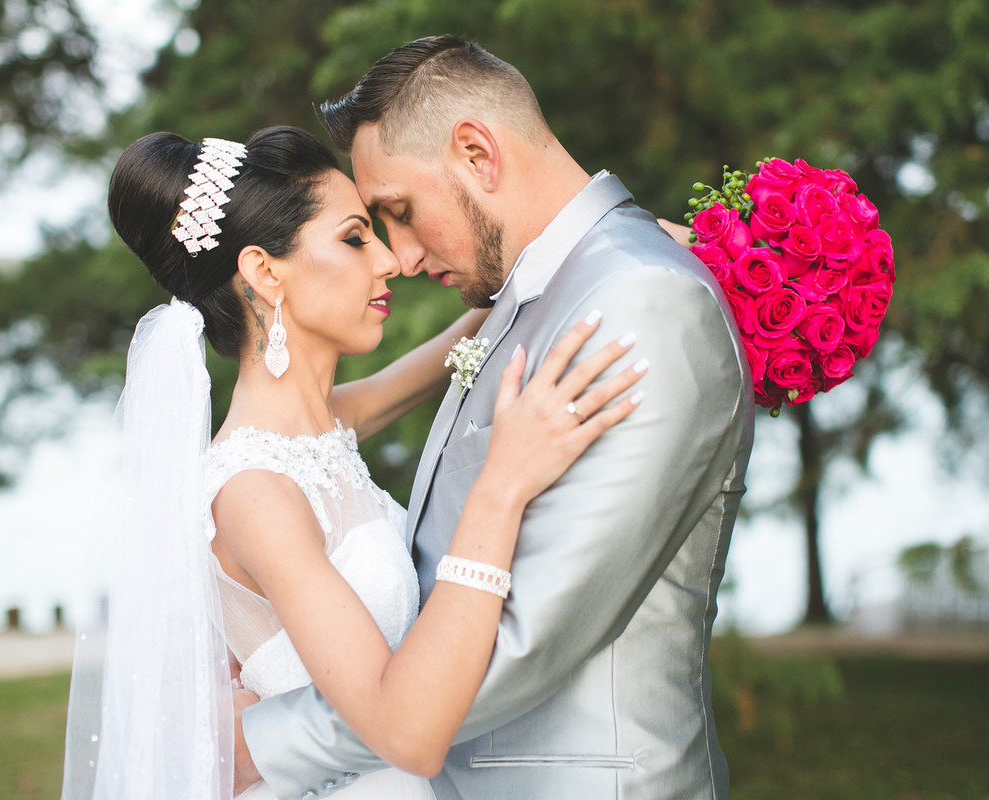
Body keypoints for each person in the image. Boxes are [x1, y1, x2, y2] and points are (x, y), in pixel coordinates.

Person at [236, 36, 754, 800]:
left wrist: (258, 743)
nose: (400, 258)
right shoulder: (534, 298)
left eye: (400, 214)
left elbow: (530, 638)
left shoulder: (642, 301)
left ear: (478, 154)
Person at [60, 125, 647, 800]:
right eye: (354, 237)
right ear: (263, 271)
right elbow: (409, 733)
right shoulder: (256, 492)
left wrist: (613, 249)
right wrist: (503, 484)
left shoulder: (327, 426)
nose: (390, 261)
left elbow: (477, 328)